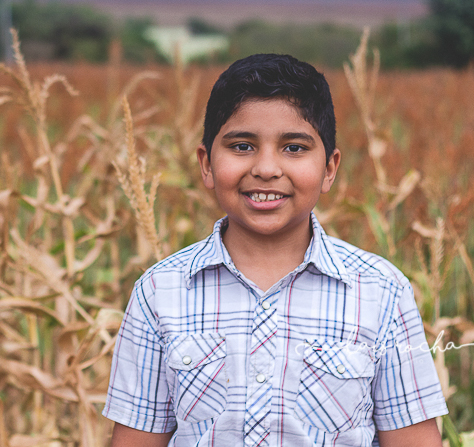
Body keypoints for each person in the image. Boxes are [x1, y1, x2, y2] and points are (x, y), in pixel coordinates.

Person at [103, 54, 447, 447]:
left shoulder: (380, 291)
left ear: (329, 168)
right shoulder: (160, 291)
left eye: (294, 148)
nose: (266, 168)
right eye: (243, 146)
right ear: (207, 164)